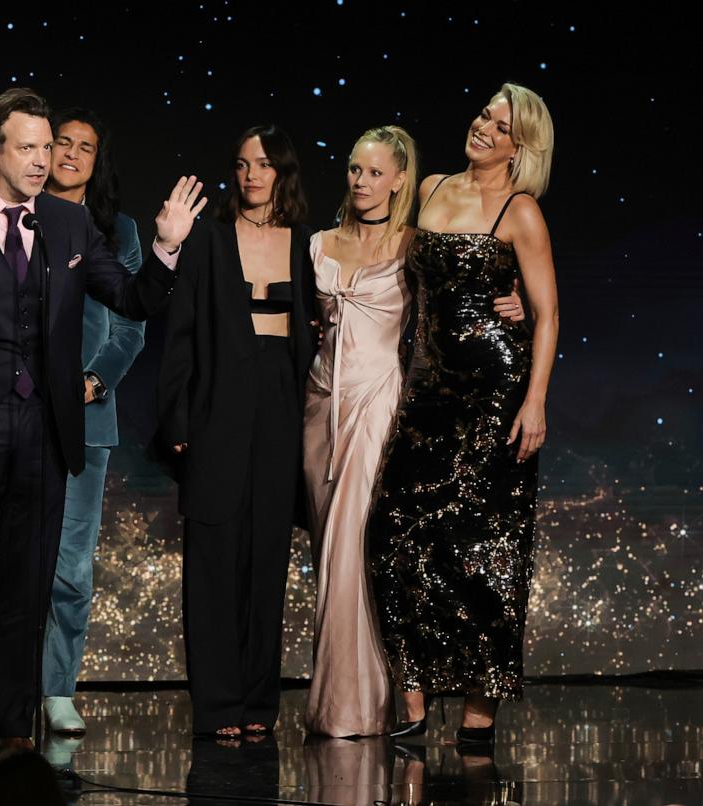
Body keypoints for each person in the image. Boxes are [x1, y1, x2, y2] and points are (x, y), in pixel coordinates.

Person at [0, 87, 205, 772]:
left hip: (43, 427)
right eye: (29, 147)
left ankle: (19, 731)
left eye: (47, 147)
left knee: (32, 585)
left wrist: (165, 249)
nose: (43, 160)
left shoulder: (67, 227)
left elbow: (130, 299)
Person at [303, 127, 524, 738]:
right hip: (321, 407)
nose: (361, 181)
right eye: (354, 169)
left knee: (362, 546)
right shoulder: (317, 243)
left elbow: (472, 283)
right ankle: (356, 700)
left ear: (400, 179)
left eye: (375, 172)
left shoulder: (413, 245)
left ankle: (360, 708)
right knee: (330, 550)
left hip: (382, 402)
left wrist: (518, 301)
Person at [368, 83, 558, 745]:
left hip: (493, 396)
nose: (482, 126)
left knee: (484, 554)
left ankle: (479, 718)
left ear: (520, 145)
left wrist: (534, 401)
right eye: (482, 112)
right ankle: (413, 704)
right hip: (425, 394)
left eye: (498, 124)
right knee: (392, 539)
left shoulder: (521, 210)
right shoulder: (432, 188)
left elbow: (549, 313)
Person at [0, 107, 146, 738]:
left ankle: (56, 688)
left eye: (84, 146)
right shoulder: (3, 218)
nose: (68, 154)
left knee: (70, 568)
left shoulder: (114, 230)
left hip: (86, 420)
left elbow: (130, 324)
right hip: (10, 418)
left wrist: (93, 383)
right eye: (59, 142)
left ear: (98, 162)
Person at [157, 125, 318, 737]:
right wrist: (176, 417)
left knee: (267, 555)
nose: (252, 175)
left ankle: (258, 703)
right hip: (217, 403)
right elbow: (180, 336)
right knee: (214, 553)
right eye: (243, 163)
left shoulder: (309, 243)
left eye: (264, 164)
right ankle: (219, 704)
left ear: (283, 172)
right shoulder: (208, 240)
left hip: (283, 403)